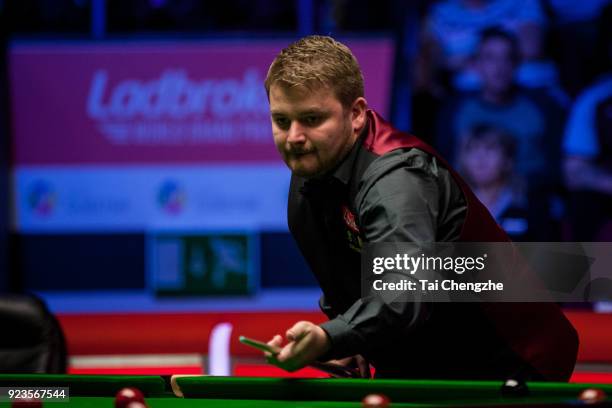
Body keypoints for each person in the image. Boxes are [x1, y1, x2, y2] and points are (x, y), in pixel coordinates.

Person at [264, 35, 578, 380]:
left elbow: (401, 295)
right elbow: (343, 281)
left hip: (511, 363)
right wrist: (347, 341)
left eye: (311, 119)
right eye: (282, 121)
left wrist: (329, 337)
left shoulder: (397, 177)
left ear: (355, 114)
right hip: (429, 358)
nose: (293, 136)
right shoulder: (310, 172)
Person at [436, 27, 566, 190]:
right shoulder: (455, 109)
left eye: (508, 58)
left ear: (518, 63)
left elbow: (558, 167)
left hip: (529, 198)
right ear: (476, 64)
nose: (500, 66)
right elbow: (442, 164)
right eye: (490, 58)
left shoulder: (543, 107)